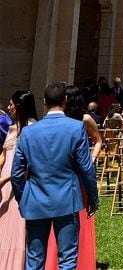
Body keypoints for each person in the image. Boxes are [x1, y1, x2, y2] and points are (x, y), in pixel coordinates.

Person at [11, 82, 99, 270]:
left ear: (44, 102)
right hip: (67, 199)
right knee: (67, 260)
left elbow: (16, 173)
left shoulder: (27, 132)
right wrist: (92, 197)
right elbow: (86, 168)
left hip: (36, 200)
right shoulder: (76, 128)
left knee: (34, 259)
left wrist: (23, 198)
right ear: (65, 100)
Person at [44, 86, 102, 270]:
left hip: (79, 173)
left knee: (79, 215)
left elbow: (98, 140)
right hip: (61, 171)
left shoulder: (84, 119)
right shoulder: (61, 120)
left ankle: (81, 261)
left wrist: (91, 159)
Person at [0, 90, 38, 270]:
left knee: (15, 225)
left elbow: (30, 163)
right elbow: (4, 154)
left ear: (20, 107)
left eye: (11, 104)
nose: (8, 108)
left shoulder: (33, 128)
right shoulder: (12, 127)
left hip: (20, 181)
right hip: (3, 179)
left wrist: (6, 179)